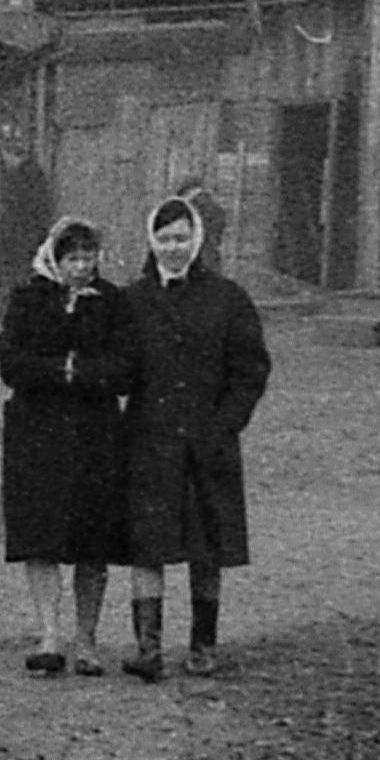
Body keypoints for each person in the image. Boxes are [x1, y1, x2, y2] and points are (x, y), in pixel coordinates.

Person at [119, 190, 271, 678]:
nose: (173, 248)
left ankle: (203, 644)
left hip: (209, 442)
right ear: (151, 242)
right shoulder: (132, 301)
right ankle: (148, 647)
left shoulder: (228, 300)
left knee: (208, 545)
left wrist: (224, 424)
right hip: (150, 441)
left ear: (198, 239)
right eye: (164, 239)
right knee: (148, 543)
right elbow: (117, 367)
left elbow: (250, 371)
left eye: (182, 238)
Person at [0, 215, 133, 674]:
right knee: (42, 534)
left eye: (88, 258)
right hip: (39, 432)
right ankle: (50, 634)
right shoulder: (28, 299)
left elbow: (125, 366)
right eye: (72, 258)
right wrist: (62, 372)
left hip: (95, 434)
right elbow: (11, 361)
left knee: (93, 538)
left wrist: (84, 373)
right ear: (55, 257)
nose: (80, 267)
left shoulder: (112, 303)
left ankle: (87, 641)